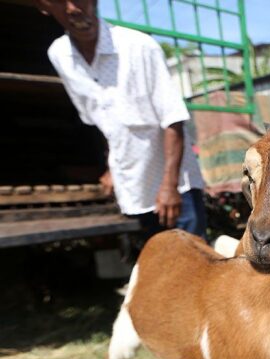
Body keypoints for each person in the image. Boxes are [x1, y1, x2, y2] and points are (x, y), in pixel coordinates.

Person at [37, 0, 207, 251]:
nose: (73, 8)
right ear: (45, 8)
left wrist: (169, 186)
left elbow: (173, 119)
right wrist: (110, 167)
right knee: (156, 271)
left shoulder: (139, 47)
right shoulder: (60, 55)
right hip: (133, 188)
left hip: (174, 188)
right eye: (61, 2)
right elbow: (102, 120)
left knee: (194, 268)